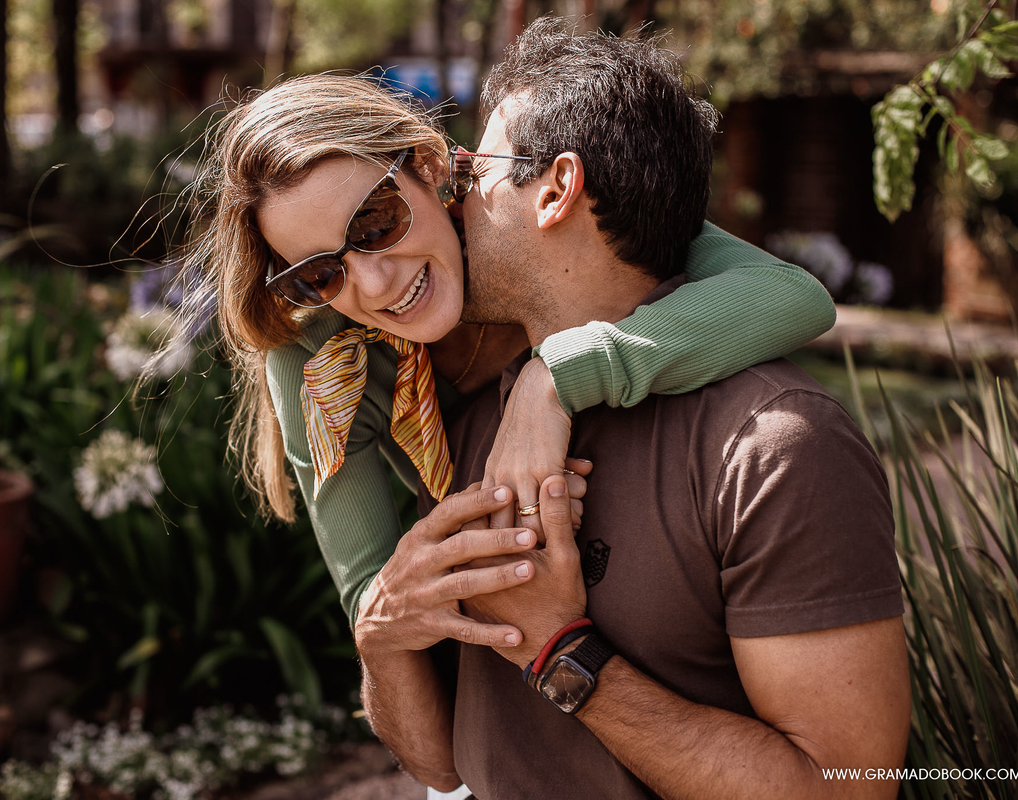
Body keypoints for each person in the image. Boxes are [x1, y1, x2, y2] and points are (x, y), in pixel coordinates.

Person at [354, 18, 910, 799]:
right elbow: (442, 763)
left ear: (555, 190)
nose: (453, 197)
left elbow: (847, 788)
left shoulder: (773, 445)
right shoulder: (475, 413)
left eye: (473, 168)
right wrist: (383, 633)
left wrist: (558, 649)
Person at [185, 72, 837, 646]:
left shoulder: (523, 217)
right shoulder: (319, 360)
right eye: (318, 275)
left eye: (377, 224)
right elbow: (378, 608)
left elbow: (793, 295)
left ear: (428, 165)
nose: (376, 284)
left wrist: (553, 374)